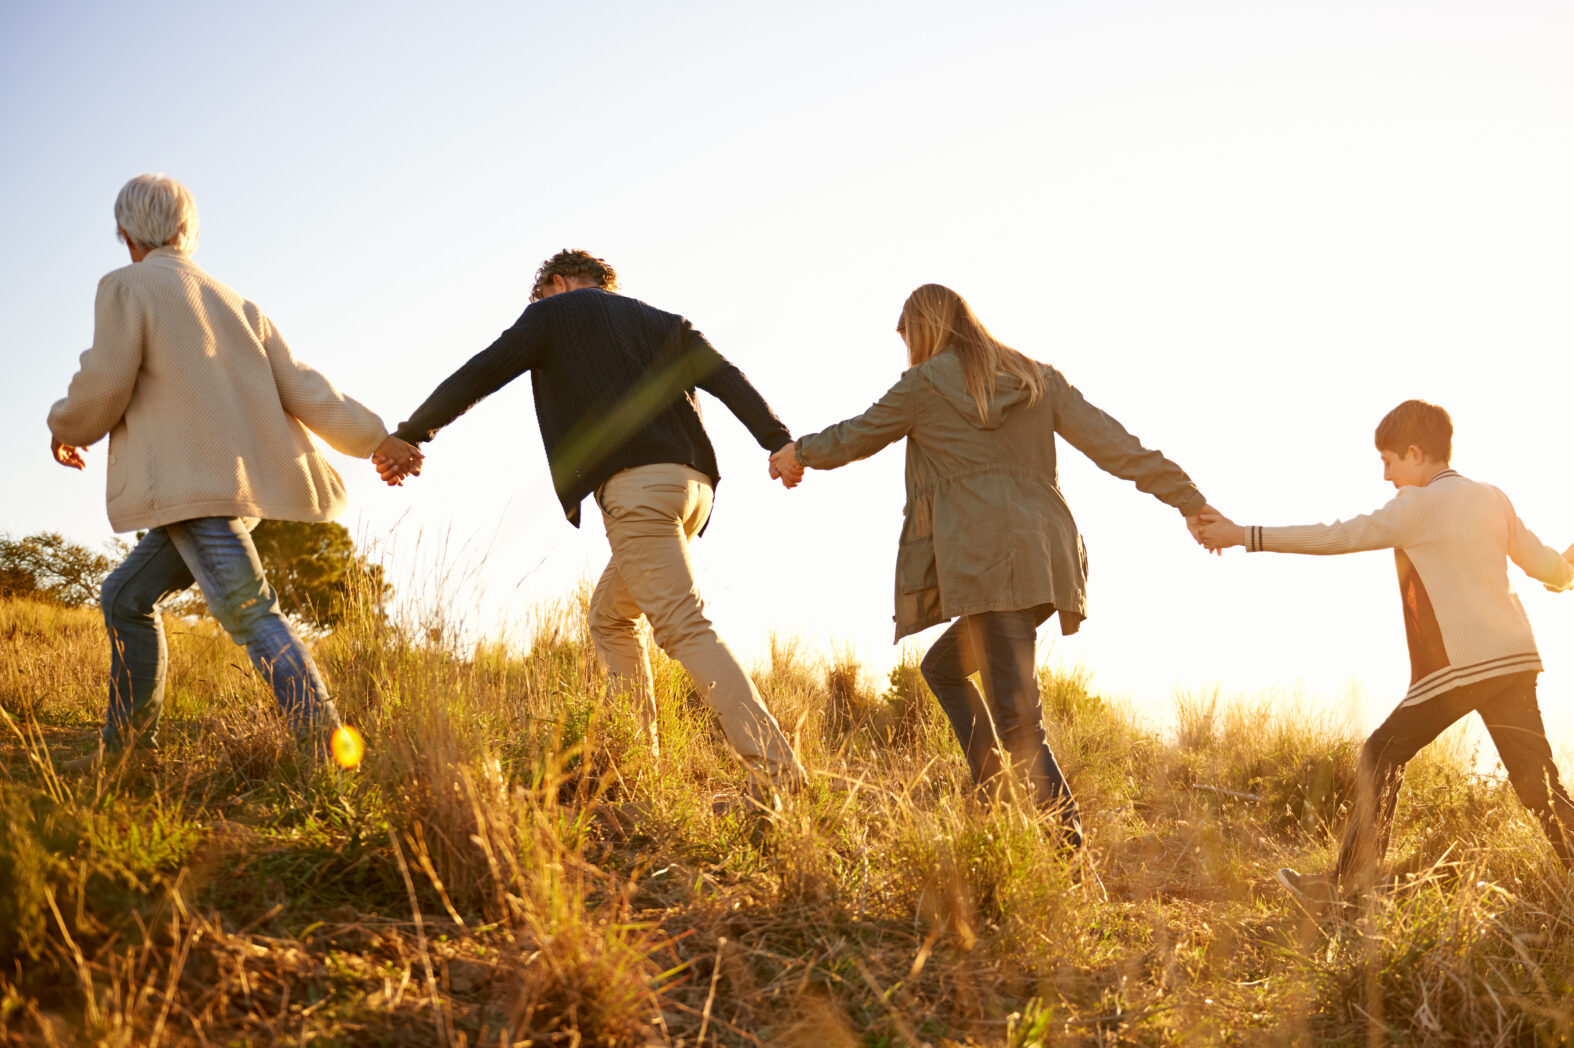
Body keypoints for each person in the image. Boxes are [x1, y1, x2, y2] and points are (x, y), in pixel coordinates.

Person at [770, 284, 1215, 846]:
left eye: (904, 332)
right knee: (945, 670)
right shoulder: (1036, 378)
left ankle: (1070, 862)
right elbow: (1116, 445)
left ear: (924, 328)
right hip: (1043, 557)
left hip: (984, 561)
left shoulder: (922, 387)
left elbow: (854, 436)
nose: (902, 343)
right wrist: (1188, 498)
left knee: (1020, 722)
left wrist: (797, 452)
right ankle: (996, 801)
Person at [389, 249, 805, 795]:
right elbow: (727, 378)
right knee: (610, 617)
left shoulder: (553, 314)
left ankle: (779, 775)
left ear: (557, 284)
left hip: (638, 487)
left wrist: (413, 432)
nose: (537, 306)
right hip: (693, 488)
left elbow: (482, 372)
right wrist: (777, 441)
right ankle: (638, 765)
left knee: (684, 626)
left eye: (539, 297)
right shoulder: (663, 321)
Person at [47, 173, 422, 769]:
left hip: (190, 491)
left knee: (251, 613)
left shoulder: (127, 286)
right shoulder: (238, 303)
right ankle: (125, 753)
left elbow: (104, 382)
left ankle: (325, 750)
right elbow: (307, 387)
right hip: (228, 492)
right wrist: (377, 438)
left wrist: (64, 427)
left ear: (124, 230)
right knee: (125, 596)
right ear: (186, 229)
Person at [1196, 399, 1574, 907]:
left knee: (1380, 754)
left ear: (1416, 455)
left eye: (1389, 461)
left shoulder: (1415, 507)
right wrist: (1565, 569)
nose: (1385, 475)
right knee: (1538, 784)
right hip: (1515, 660)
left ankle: (1346, 890)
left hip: (1463, 667)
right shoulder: (1492, 497)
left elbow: (1336, 537)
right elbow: (1548, 568)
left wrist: (1243, 535)